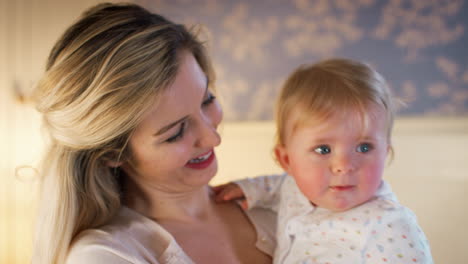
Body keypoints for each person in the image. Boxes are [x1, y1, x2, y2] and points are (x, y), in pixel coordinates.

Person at [32, 3, 275, 264]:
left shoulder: (282, 206)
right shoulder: (106, 256)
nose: (213, 138)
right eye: (176, 132)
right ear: (112, 152)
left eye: (207, 100)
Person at [214, 58, 434, 263]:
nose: (344, 166)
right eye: (323, 149)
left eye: (364, 147)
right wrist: (249, 189)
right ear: (288, 160)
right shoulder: (295, 188)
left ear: (385, 153)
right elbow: (278, 186)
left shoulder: (391, 226)